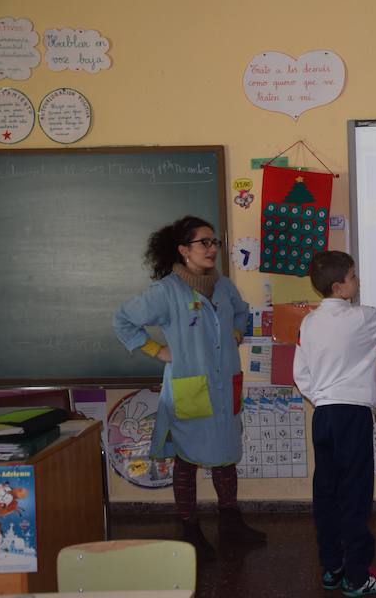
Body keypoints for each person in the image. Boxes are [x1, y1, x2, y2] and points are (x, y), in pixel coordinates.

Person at [113, 215, 265, 561]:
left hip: (224, 383)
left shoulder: (224, 286)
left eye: (215, 242)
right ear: (183, 250)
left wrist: (237, 334)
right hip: (188, 386)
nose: (212, 249)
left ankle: (230, 522)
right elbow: (122, 320)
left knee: (226, 455)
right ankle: (190, 529)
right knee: (187, 458)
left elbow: (242, 314)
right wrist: (157, 350)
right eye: (204, 242)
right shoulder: (166, 292)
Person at [293, 250, 376, 596]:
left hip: (322, 416)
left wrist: (323, 396)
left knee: (326, 494)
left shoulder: (308, 323)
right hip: (351, 415)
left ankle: (333, 568)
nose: (359, 281)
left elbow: (300, 374)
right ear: (339, 286)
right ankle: (357, 577)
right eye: (353, 276)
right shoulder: (360, 318)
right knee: (354, 495)